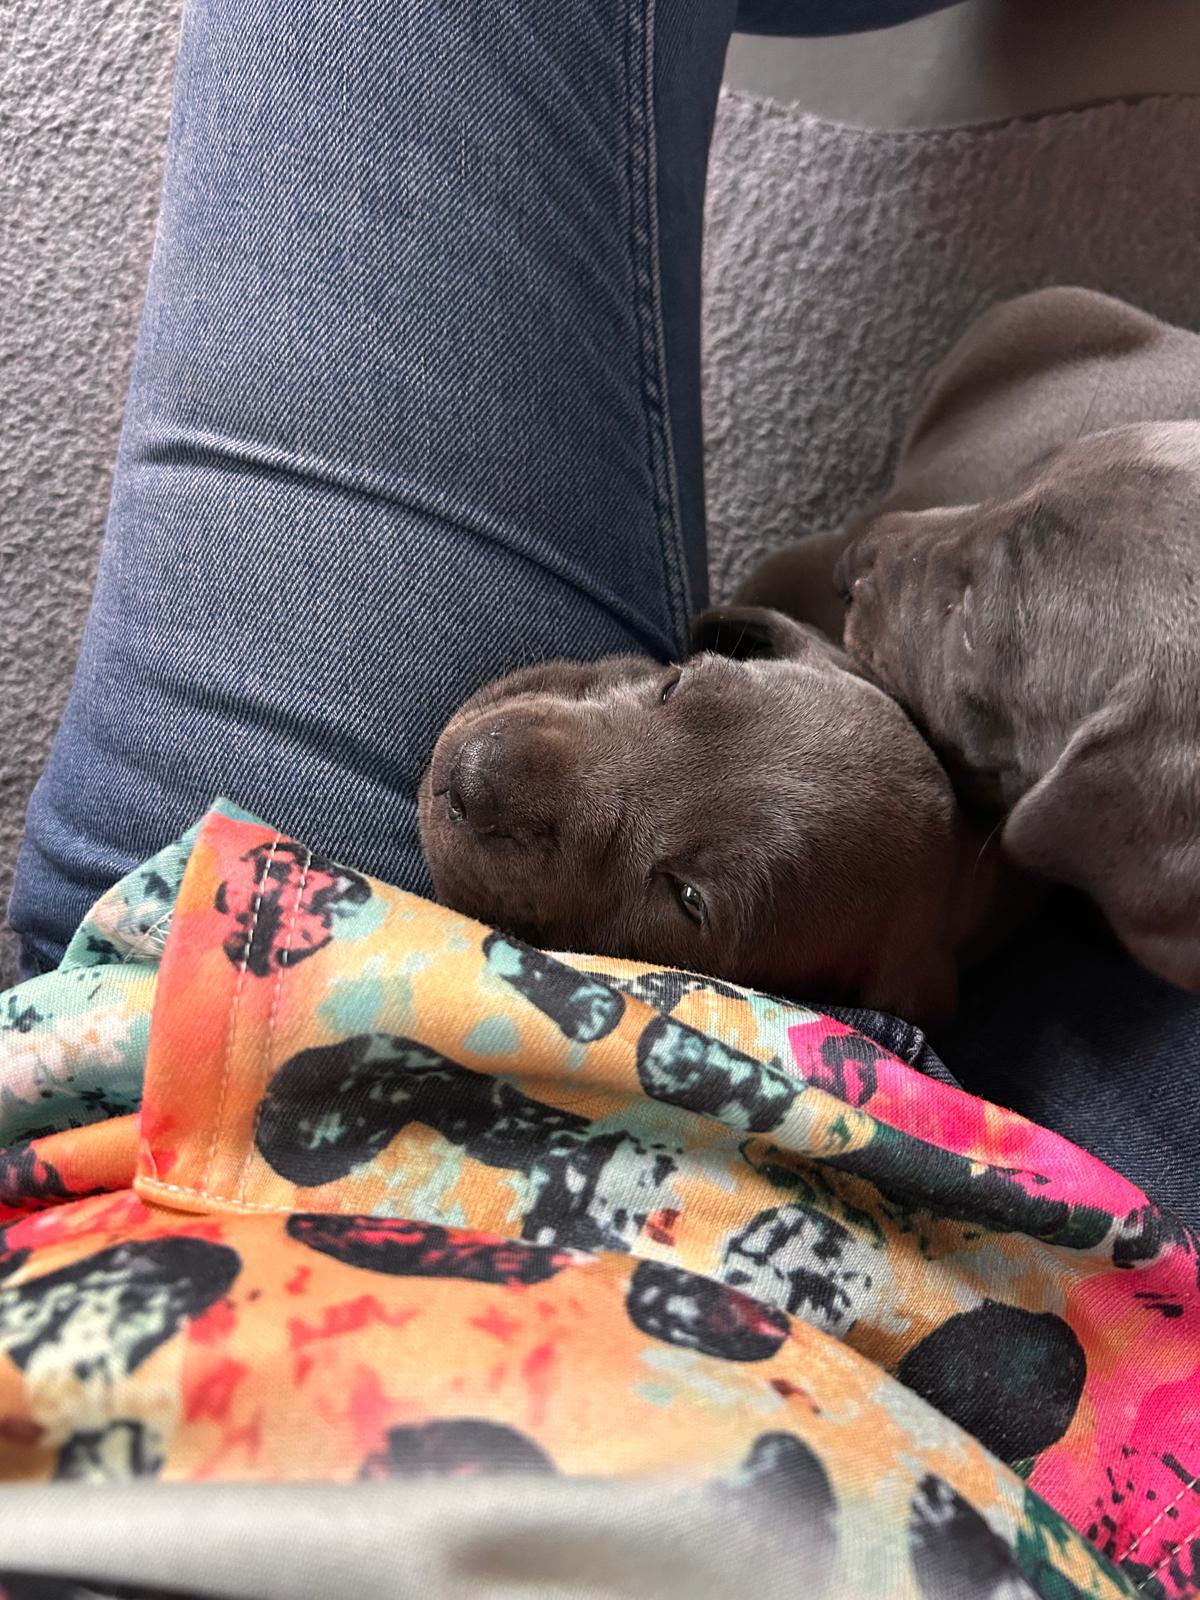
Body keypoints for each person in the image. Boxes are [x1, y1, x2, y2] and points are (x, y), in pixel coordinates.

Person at [7, 0, 1197, 1220]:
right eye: (678, 686)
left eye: (693, 894)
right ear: (738, 647)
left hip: (203, 1018)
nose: (493, 765)